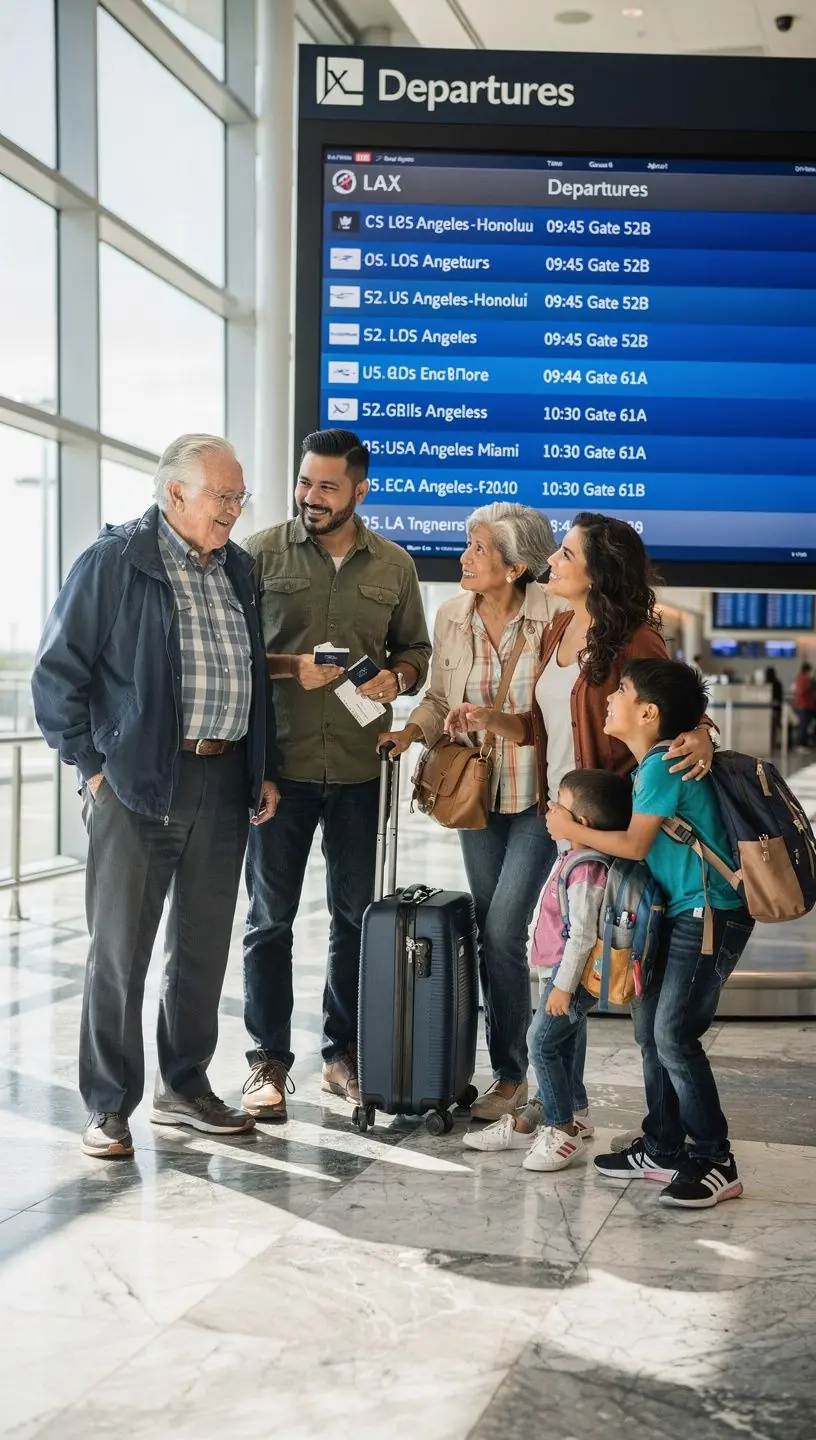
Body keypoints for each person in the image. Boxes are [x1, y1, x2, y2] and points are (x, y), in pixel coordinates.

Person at [31, 435, 280, 1159]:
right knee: (120, 953)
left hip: (223, 779)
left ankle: (185, 1088)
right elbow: (56, 677)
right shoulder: (115, 562)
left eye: (239, 497)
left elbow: (253, 678)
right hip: (137, 784)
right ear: (176, 495)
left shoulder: (239, 568)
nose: (234, 510)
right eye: (223, 497)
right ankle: (108, 1106)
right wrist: (93, 766)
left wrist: (260, 765)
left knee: (201, 951)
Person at [445, 512, 715, 1119]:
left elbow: (677, 710)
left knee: (580, 966)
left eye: (566, 555)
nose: (553, 563)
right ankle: (566, 1102)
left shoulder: (634, 637)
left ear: (599, 572)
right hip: (567, 822)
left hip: (609, 823)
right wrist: (491, 720)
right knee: (568, 955)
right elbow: (542, 728)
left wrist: (702, 736)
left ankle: (579, 1111)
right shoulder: (560, 626)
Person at [240, 428, 431, 1119]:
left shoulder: (395, 566)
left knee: (355, 919)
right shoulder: (258, 554)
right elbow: (233, 652)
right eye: (303, 482)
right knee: (270, 920)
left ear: (359, 489)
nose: (309, 497)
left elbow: (417, 650)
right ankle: (266, 1063)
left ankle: (340, 1054)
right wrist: (292, 668)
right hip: (280, 769)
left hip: (360, 770)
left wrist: (397, 678)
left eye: (326, 486)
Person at [379, 503, 563, 1122]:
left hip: (537, 796)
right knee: (490, 931)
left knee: (503, 929)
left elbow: (564, 709)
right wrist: (410, 734)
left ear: (514, 567)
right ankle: (506, 1067)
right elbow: (436, 697)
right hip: (476, 796)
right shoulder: (453, 615)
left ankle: (514, 1077)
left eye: (478, 549)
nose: (464, 557)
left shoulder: (555, 618)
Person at [547, 659, 754, 1208]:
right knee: (651, 1034)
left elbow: (637, 845)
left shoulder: (662, 767)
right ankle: (663, 1145)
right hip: (677, 912)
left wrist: (569, 829)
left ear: (648, 712)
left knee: (673, 1036)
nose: (611, 698)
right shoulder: (649, 768)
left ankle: (715, 1159)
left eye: (622, 690)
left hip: (707, 914)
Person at [463, 768, 633, 1169]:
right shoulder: (572, 856)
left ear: (582, 824)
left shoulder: (586, 869)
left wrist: (561, 986)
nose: (551, 808)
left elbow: (581, 937)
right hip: (558, 974)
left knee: (540, 1044)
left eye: (560, 804)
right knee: (566, 1041)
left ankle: (561, 1131)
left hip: (567, 977)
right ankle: (575, 1111)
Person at [793, 661, 816, 750]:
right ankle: (802, 744)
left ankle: (803, 743)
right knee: (804, 726)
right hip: (806, 705)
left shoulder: (799, 678)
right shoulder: (805, 679)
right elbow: (805, 691)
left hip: (803, 705)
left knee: (804, 725)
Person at [765, 665, 783, 750]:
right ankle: (773, 744)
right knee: (774, 728)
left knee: (770, 728)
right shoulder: (777, 683)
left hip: (771, 709)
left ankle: (770, 745)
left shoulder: (768, 684)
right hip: (776, 709)